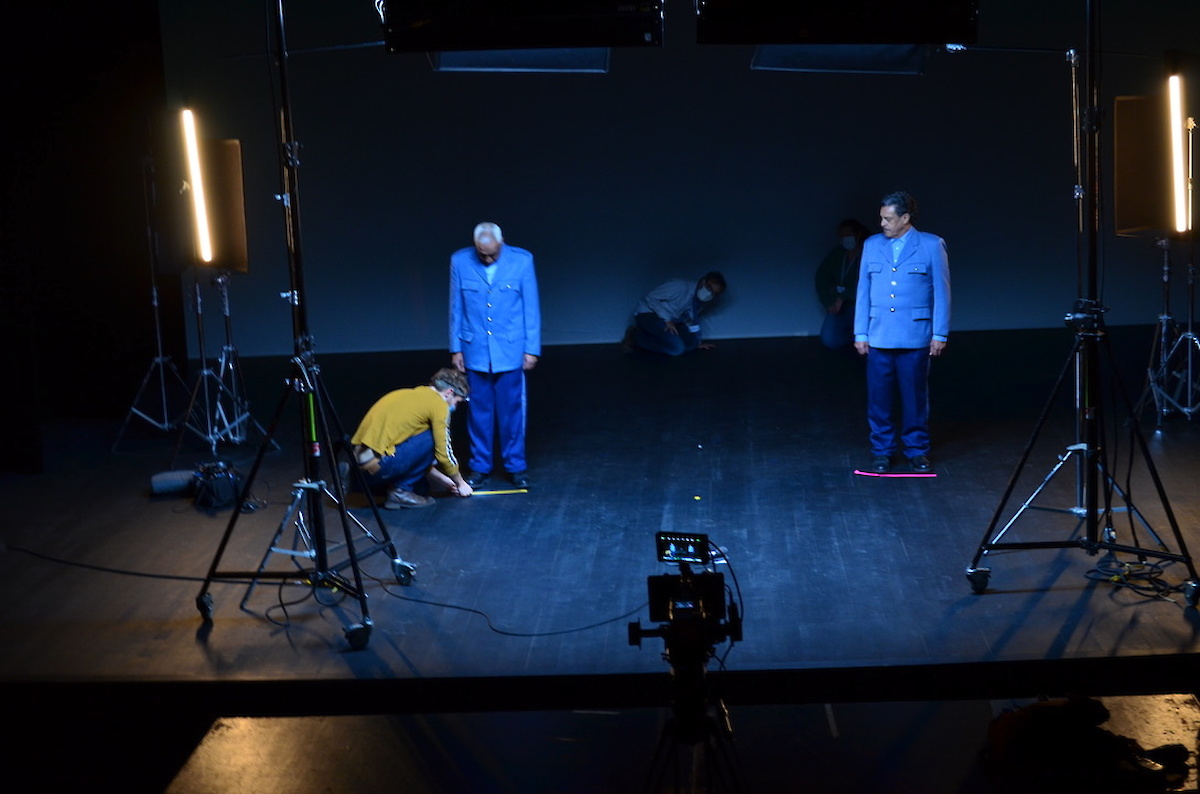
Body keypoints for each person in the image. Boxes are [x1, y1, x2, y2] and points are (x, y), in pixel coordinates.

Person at [853, 191, 950, 473]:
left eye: (888, 218)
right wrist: (861, 332)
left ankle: (917, 449)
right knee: (879, 398)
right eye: (881, 217)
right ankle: (882, 450)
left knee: (914, 396)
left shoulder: (931, 245)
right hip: (879, 334)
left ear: (905, 218)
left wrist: (940, 333)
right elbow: (863, 291)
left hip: (915, 335)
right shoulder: (872, 245)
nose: (882, 223)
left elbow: (943, 293)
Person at [449, 221, 541, 490]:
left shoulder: (522, 261)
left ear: (501, 243)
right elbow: (456, 307)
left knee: (512, 411)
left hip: (510, 349)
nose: (486, 258)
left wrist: (531, 349)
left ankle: (515, 466)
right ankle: (479, 466)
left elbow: (531, 307)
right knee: (478, 412)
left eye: (491, 253)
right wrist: (456, 347)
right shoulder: (460, 261)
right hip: (475, 348)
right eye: (481, 253)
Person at [348, 368, 474, 509]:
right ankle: (400, 492)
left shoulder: (410, 395)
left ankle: (355, 483)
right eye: (457, 402)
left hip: (361, 463)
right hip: (378, 466)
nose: (455, 407)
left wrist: (446, 481)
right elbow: (443, 453)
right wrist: (460, 483)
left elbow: (417, 457)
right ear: (449, 393)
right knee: (433, 438)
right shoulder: (438, 405)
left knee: (421, 489)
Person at [623, 272, 727, 356]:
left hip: (672, 321)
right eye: (709, 288)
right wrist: (667, 319)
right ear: (702, 282)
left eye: (714, 294)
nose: (710, 294)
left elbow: (690, 320)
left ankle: (652, 336)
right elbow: (651, 298)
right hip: (649, 314)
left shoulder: (700, 302)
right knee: (677, 349)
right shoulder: (680, 286)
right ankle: (635, 337)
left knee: (691, 346)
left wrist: (697, 343)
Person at [815, 219, 870, 350]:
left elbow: (874, 284)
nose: (845, 239)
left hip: (865, 305)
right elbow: (821, 277)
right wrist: (828, 302)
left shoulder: (869, 253)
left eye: (848, 235)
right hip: (841, 306)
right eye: (842, 236)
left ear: (858, 235)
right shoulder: (837, 253)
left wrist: (845, 295)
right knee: (830, 339)